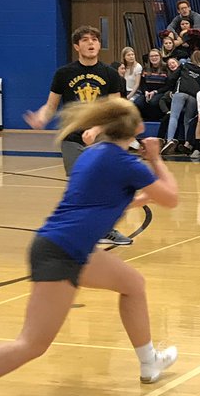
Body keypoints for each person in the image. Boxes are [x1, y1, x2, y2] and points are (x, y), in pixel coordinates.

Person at [0, 98, 180, 389]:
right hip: (62, 254)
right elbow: (172, 198)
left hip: (71, 248)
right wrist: (156, 159)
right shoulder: (126, 163)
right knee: (31, 344)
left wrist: (141, 197)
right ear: (138, 128)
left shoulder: (93, 154)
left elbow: (104, 203)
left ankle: (149, 361)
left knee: (133, 284)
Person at [24, 25, 132, 247]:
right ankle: (75, 230)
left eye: (94, 39)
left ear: (99, 45)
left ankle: (106, 229)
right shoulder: (64, 73)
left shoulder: (109, 74)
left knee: (105, 185)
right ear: (76, 46)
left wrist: (96, 129)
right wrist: (41, 117)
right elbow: (51, 105)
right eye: (85, 40)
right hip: (72, 138)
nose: (91, 43)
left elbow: (116, 109)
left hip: (102, 138)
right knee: (79, 186)